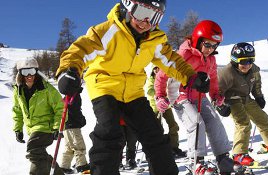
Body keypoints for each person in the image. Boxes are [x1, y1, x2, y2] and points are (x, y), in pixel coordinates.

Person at [55, 1, 210, 174]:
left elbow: (172, 60)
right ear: (127, 6)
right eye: (142, 11)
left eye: (154, 16)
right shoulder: (109, 31)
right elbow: (80, 50)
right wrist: (68, 71)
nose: (146, 21)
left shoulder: (154, 39)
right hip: (105, 86)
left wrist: (191, 76)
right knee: (109, 133)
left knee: (154, 135)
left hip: (134, 92)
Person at [154, 20, 238, 174]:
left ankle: (223, 158)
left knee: (214, 121)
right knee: (196, 122)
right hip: (180, 96)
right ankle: (196, 162)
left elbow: (212, 79)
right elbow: (161, 76)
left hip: (200, 96)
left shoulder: (211, 58)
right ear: (198, 40)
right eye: (207, 44)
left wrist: (215, 96)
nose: (210, 49)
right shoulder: (183, 54)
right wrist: (160, 96)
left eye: (214, 46)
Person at [217, 42, 268, 166]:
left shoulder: (254, 69)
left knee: (262, 118)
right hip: (231, 99)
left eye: (250, 60)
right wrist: (219, 105)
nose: (248, 64)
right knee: (243, 123)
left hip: (246, 97)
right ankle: (239, 154)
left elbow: (256, 83)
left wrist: (259, 96)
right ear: (235, 60)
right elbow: (216, 90)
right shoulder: (226, 73)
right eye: (244, 61)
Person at [12, 58, 64, 175]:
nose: (29, 75)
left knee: (33, 149)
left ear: (37, 72)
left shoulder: (46, 89)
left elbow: (60, 107)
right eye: (25, 72)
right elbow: (17, 111)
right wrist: (18, 129)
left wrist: (57, 127)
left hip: (46, 127)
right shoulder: (18, 91)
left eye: (32, 71)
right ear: (20, 74)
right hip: (32, 129)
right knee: (40, 153)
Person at [146, 66, 186, 158]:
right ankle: (159, 149)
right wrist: (159, 94)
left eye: (158, 68)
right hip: (156, 107)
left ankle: (174, 147)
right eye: (155, 68)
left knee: (173, 126)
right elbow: (149, 91)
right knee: (158, 128)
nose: (157, 70)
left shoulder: (166, 78)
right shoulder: (152, 79)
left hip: (167, 106)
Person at [59, 89, 90, 174]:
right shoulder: (73, 94)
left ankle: (64, 166)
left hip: (67, 125)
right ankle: (82, 165)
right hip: (72, 125)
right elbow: (74, 110)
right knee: (78, 146)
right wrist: (81, 120)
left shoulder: (68, 94)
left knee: (69, 147)